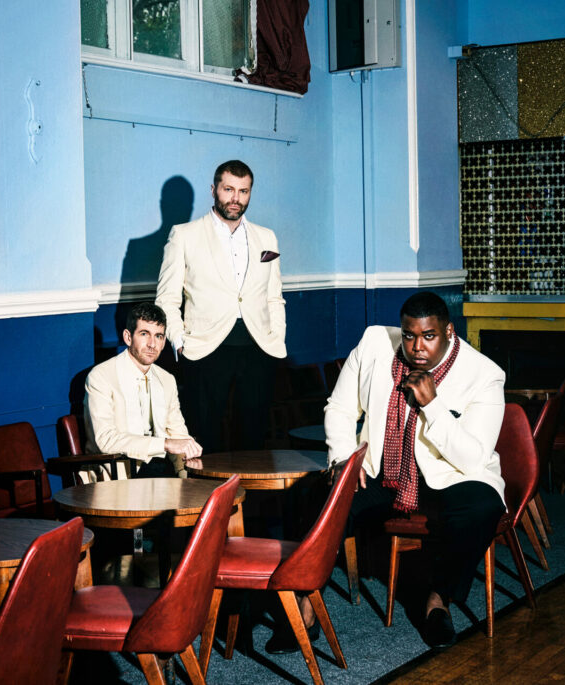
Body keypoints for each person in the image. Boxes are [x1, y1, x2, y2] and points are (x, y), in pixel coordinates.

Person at [323, 291, 506, 649]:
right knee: (319, 496)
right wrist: (344, 456)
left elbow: (472, 458)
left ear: (449, 332)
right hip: (383, 470)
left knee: (482, 507)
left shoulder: (484, 375)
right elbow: (340, 408)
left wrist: (433, 406)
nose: (417, 347)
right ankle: (303, 604)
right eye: (409, 336)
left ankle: (438, 599)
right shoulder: (375, 342)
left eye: (429, 336)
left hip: (448, 476)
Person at [155, 159, 286, 454]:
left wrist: (277, 336)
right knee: (206, 439)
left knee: (253, 441)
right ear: (214, 190)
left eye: (243, 191)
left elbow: (274, 296)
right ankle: (210, 501)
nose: (235, 198)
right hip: (204, 350)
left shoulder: (266, 237)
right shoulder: (184, 235)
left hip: (258, 348)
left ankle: (248, 501)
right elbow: (166, 298)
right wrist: (180, 342)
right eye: (228, 189)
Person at [84, 302, 203, 478]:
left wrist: (187, 480)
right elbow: (106, 440)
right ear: (128, 337)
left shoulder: (167, 379)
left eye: (159, 336)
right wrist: (164, 444)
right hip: (120, 475)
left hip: (163, 471)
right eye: (144, 334)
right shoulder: (101, 376)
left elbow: (179, 434)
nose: (152, 344)